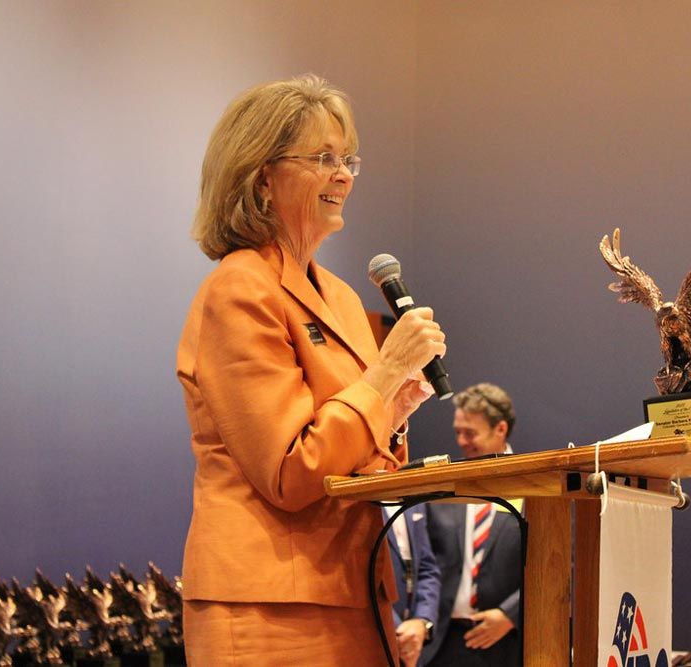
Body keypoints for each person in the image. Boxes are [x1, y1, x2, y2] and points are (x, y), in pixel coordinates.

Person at [175, 75, 446, 666]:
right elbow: (293, 472)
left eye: (349, 159)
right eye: (323, 158)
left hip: (356, 594)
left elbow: (365, 457)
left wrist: (394, 407)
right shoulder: (240, 288)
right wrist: (382, 377)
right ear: (262, 177)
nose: (344, 175)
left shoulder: (345, 299)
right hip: (269, 606)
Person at [422, 383, 522, 667]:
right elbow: (426, 563)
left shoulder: (534, 486)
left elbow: (555, 566)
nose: (462, 442)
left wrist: (509, 615)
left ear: (500, 429)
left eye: (470, 433)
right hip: (443, 644)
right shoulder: (446, 487)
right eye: (458, 432)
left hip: (508, 642)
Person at [384, 505, 441, 666]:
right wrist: (399, 632)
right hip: (373, 637)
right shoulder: (358, 498)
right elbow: (355, 574)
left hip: (414, 642)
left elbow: (427, 568)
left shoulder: (416, 499)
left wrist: (422, 621)